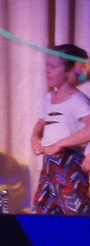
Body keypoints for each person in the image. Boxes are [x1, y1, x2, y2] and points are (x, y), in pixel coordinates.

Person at [28, 43, 90, 215]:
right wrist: (35, 137)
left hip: (69, 163)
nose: (48, 71)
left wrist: (60, 144)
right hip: (49, 164)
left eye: (53, 67)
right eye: (47, 66)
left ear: (70, 71)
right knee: (42, 211)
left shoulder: (78, 101)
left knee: (74, 211)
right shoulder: (49, 98)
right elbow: (41, 123)